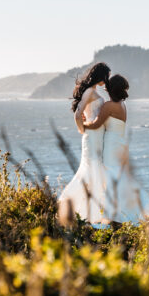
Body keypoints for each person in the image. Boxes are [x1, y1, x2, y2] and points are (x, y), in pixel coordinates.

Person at [81, 74, 149, 223]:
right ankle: (128, 212)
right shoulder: (122, 105)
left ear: (111, 89)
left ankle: (115, 216)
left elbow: (96, 124)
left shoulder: (109, 106)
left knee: (112, 179)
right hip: (121, 144)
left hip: (111, 145)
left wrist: (81, 123)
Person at [57, 62, 112, 225]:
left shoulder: (92, 90)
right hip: (92, 136)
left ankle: (88, 212)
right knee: (90, 171)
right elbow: (78, 113)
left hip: (96, 136)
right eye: (105, 76)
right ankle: (80, 209)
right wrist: (82, 130)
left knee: (93, 171)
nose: (106, 80)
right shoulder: (89, 91)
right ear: (100, 75)